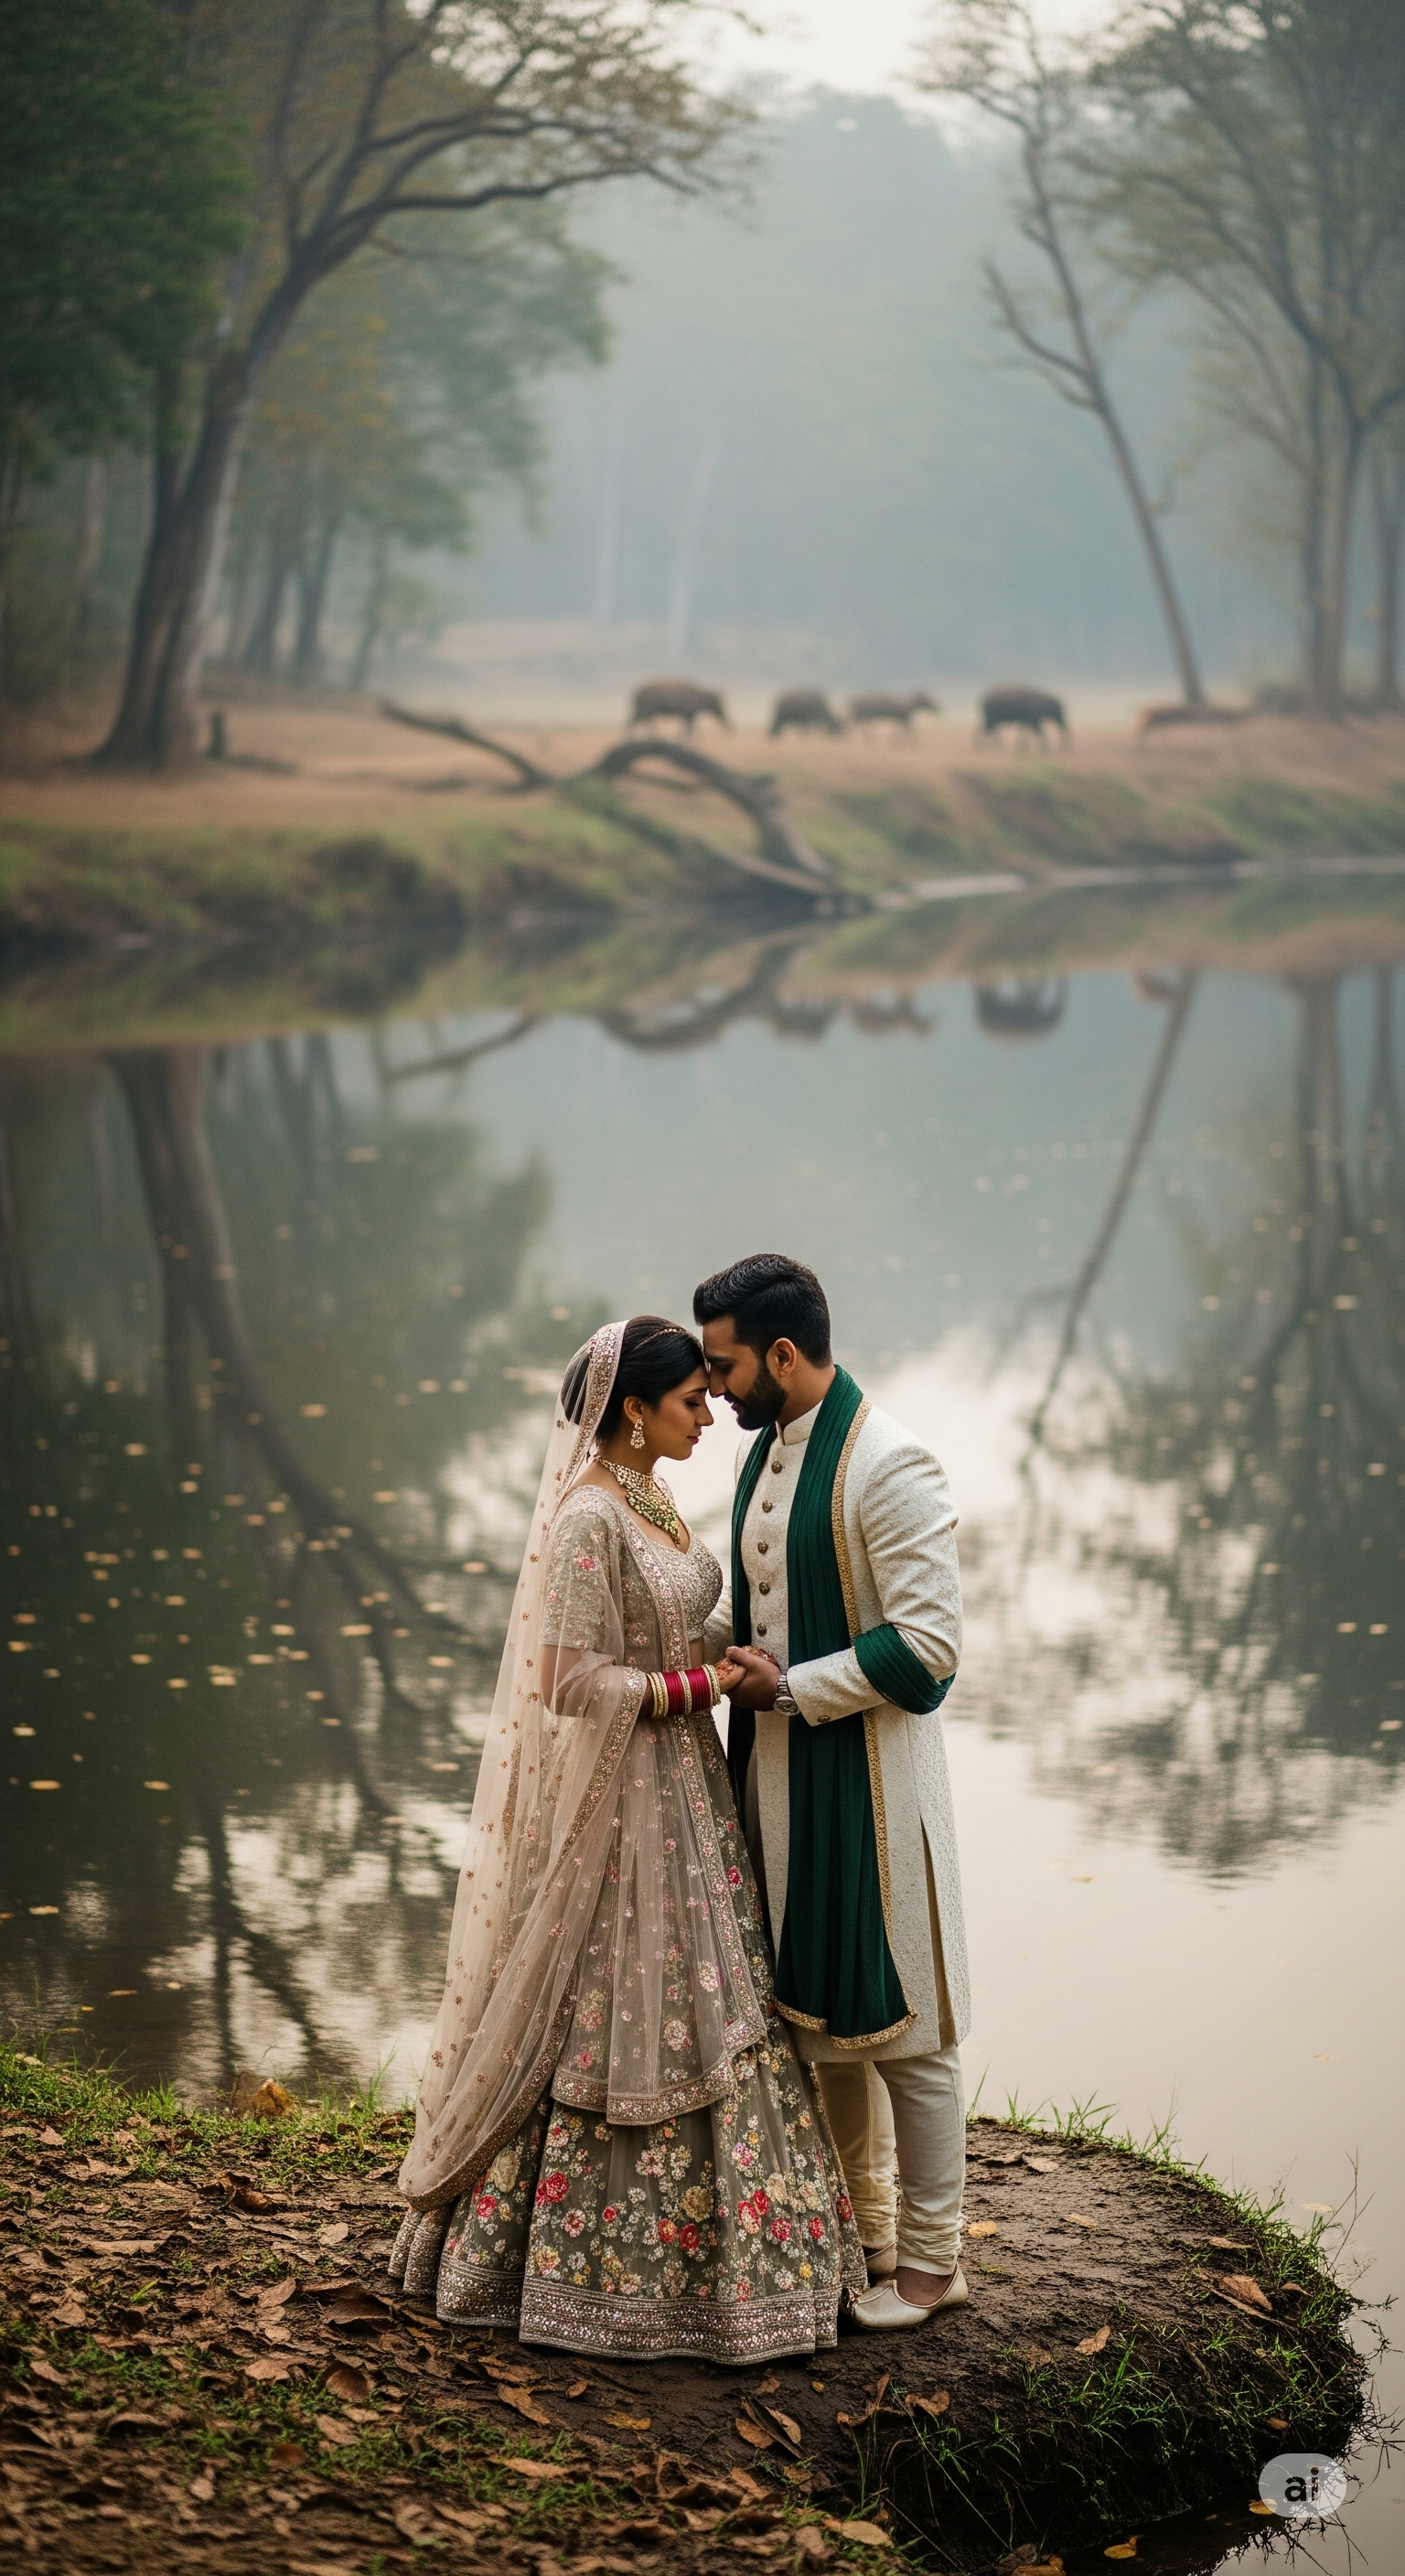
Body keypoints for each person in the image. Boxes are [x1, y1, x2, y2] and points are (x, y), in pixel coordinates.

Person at [390, 1315, 865, 2363]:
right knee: (619, 1999)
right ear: (634, 1410)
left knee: (712, 1993)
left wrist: (733, 1658)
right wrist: (692, 1683)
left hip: (688, 1787)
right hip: (624, 1794)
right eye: (693, 1399)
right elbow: (566, 1678)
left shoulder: (653, 1497)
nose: (710, 1412)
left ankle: (755, 2257)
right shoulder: (585, 1520)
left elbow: (673, 1615)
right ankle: (580, 2275)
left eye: (709, 1393)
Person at [693, 1253, 970, 2333]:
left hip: (873, 1790)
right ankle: (872, 2238)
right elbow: (759, 1613)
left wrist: (794, 1687)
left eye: (724, 1366)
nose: (714, 1388)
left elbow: (932, 1652)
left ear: (782, 1352)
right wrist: (678, 1651)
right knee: (821, 2028)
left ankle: (939, 2264)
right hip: (776, 1784)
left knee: (911, 2032)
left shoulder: (891, 1463)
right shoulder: (767, 1453)